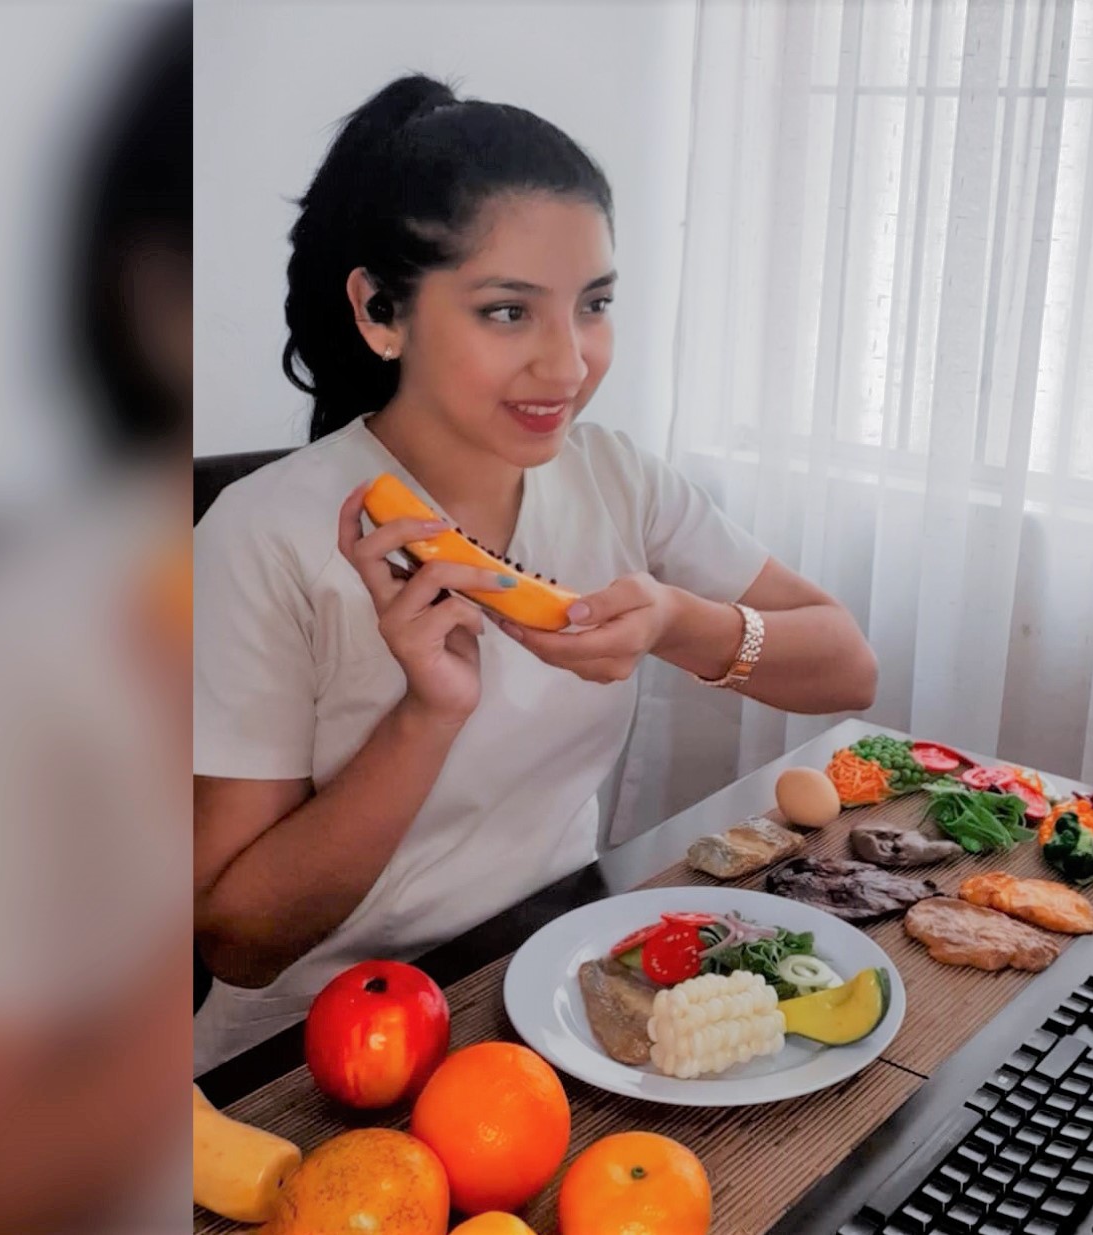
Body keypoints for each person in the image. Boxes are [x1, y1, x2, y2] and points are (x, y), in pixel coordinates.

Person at [192, 74, 878, 1073]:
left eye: (593, 305)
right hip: (317, 1054)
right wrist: (427, 714)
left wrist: (677, 620)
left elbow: (846, 666)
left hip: (555, 986)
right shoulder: (264, 535)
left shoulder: (615, 478)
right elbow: (239, 940)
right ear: (382, 312)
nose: (568, 365)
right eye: (508, 312)